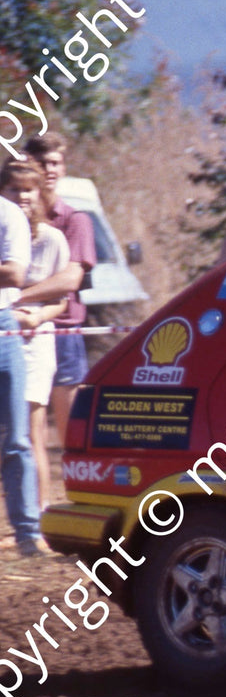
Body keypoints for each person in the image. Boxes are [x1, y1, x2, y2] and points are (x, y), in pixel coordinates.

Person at [21, 135, 95, 455]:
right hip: (22, 329)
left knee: (70, 433)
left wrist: (16, 298)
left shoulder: (75, 219)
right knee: (25, 429)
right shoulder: (13, 216)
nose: (50, 169)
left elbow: (71, 278)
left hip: (64, 329)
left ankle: (74, 495)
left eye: (56, 163)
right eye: (43, 162)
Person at [2, 160, 68, 512]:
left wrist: (37, 314)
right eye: (14, 188)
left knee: (29, 433)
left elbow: (62, 299)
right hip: (4, 331)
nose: (22, 196)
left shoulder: (52, 238)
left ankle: (37, 517)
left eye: (29, 189)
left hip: (34, 341)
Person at [0, 161, 39, 554]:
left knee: (17, 439)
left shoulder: (9, 214)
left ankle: (28, 535)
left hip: (4, 327)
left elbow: (14, 273)